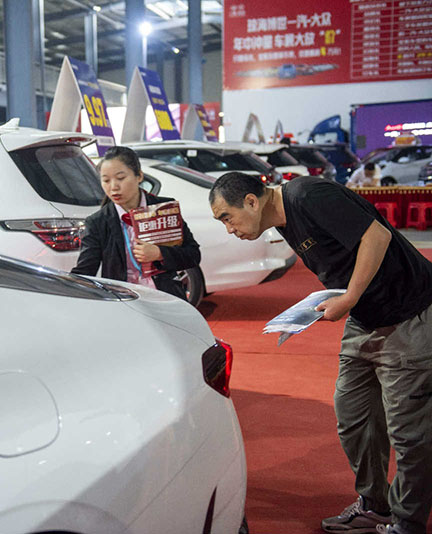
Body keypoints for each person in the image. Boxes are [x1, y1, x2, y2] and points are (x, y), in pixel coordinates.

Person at [208, 172, 432, 534]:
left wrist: (350, 297)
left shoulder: (306, 195)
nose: (228, 229)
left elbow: (377, 235)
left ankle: (408, 522)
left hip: (410, 315)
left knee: (409, 432)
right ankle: (375, 505)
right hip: (365, 319)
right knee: (354, 418)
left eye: (226, 217)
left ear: (252, 201)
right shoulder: (284, 220)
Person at [71, 146, 200, 301]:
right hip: (125, 302)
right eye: (106, 180)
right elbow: (85, 271)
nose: (113, 187)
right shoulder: (97, 222)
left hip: (166, 298)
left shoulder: (164, 209)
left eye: (120, 178)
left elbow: (193, 255)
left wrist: (159, 253)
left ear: (139, 176)